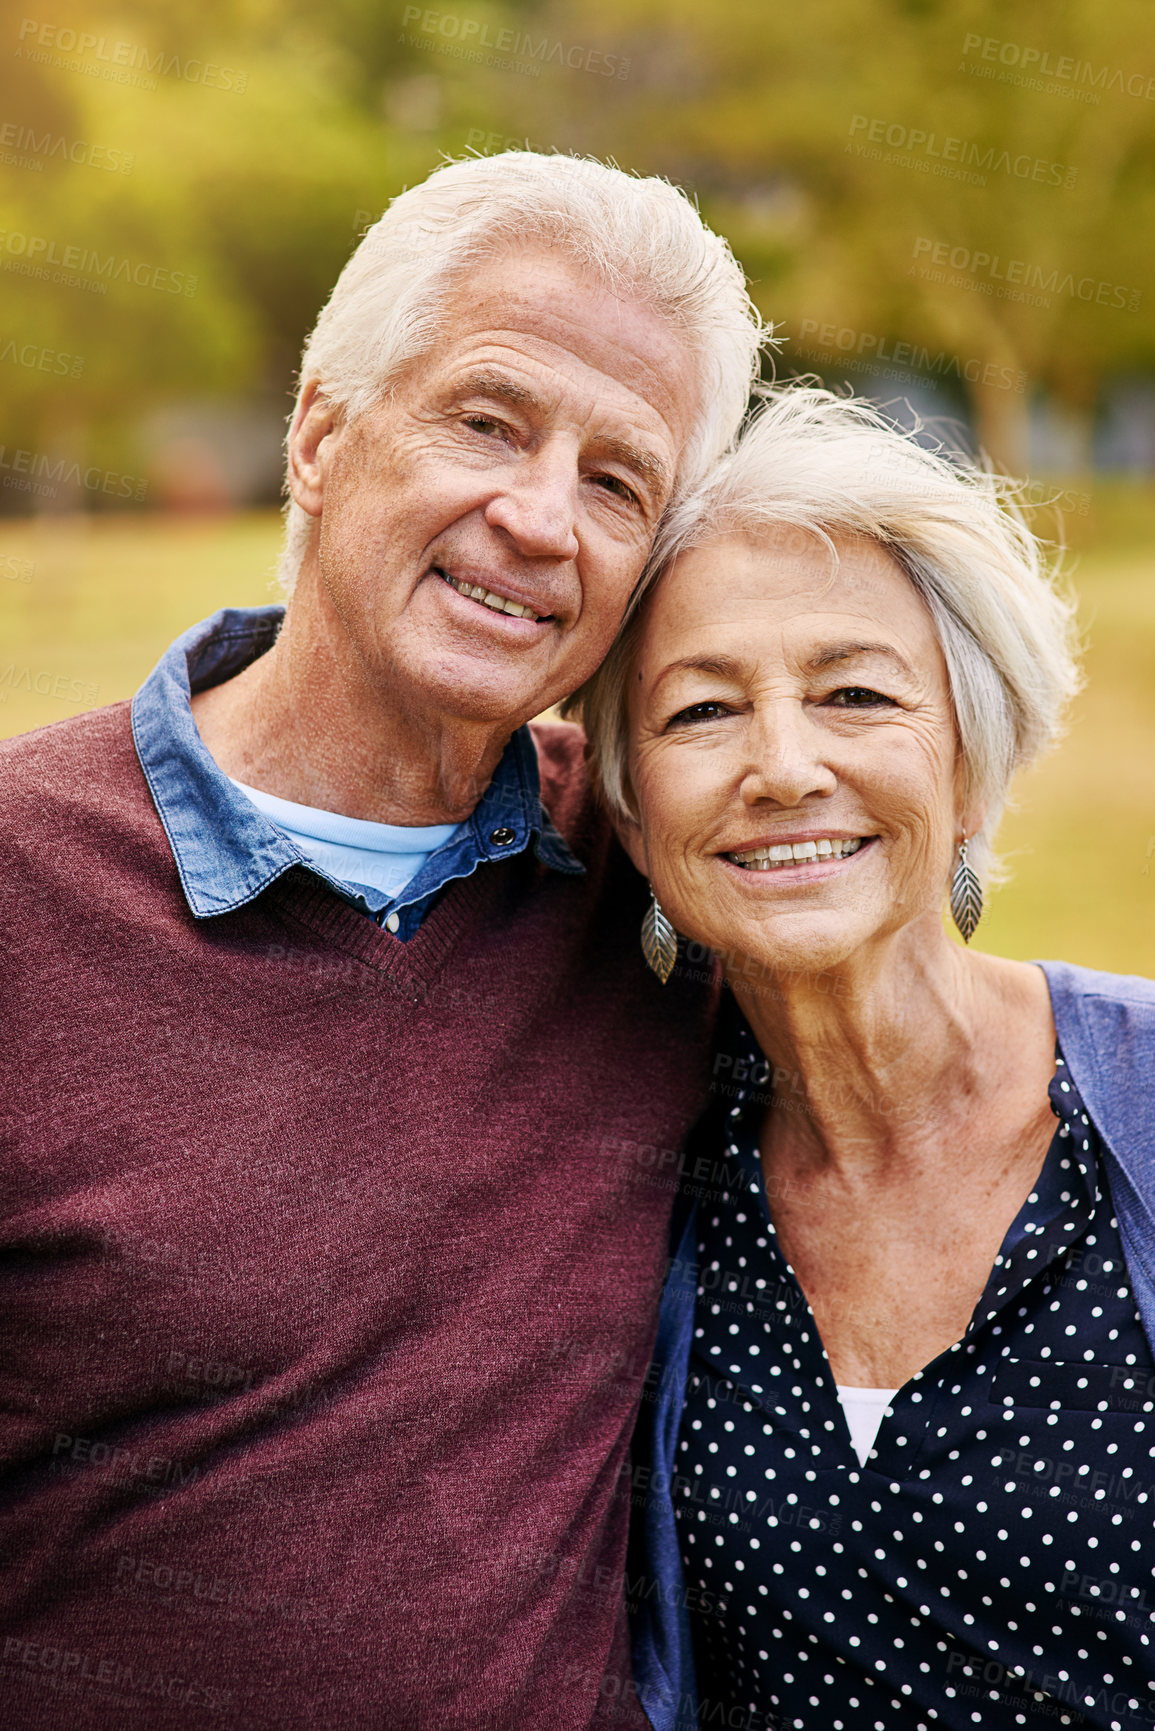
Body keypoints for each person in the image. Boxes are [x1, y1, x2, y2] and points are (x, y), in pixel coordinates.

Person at [0, 152, 765, 1731]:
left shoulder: (668, 885)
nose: (539, 518)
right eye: (488, 421)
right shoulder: (22, 889)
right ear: (322, 433)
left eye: (618, 482)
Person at [573, 386, 1155, 1731]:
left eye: (855, 694)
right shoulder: (653, 1190)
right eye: (703, 713)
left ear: (969, 765)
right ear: (633, 810)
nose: (783, 766)